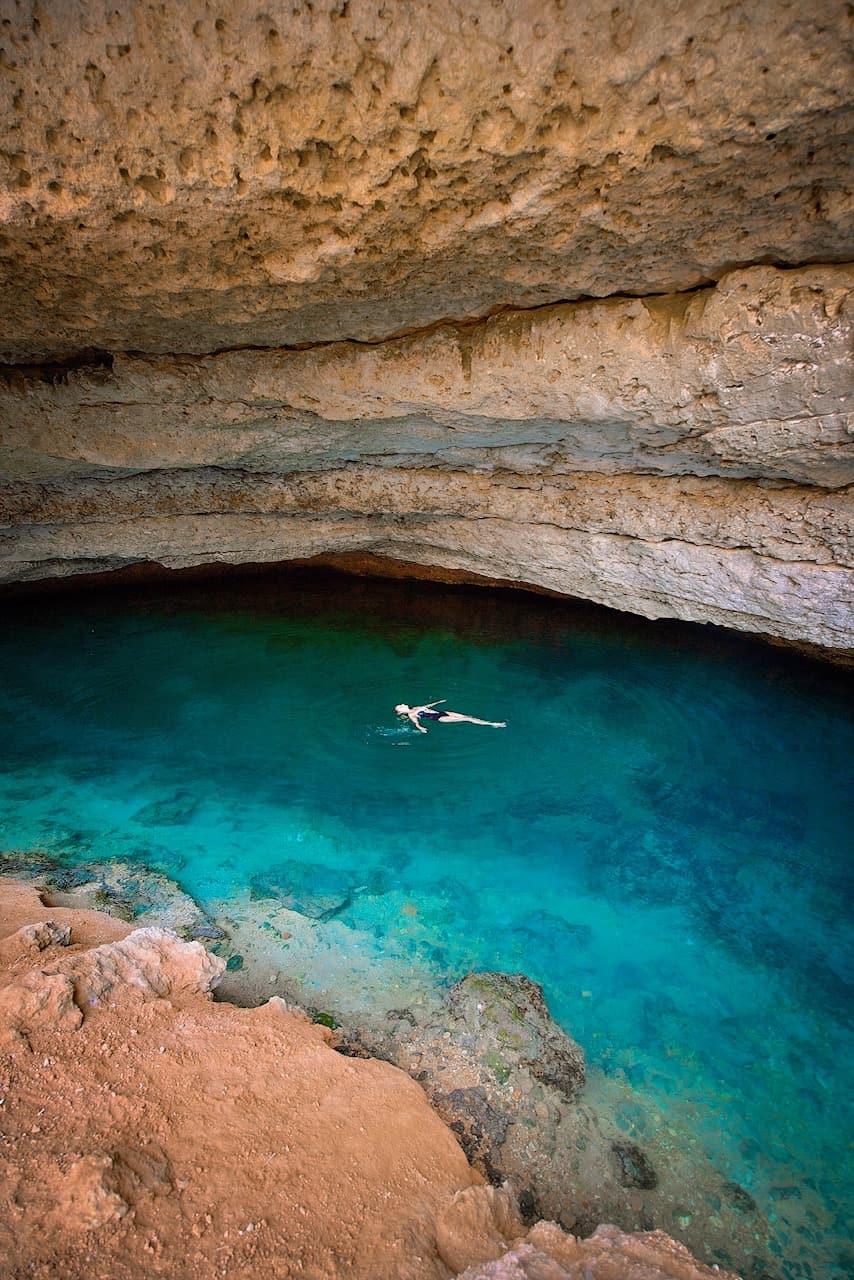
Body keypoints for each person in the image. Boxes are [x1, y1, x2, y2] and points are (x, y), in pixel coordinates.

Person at [394, 700, 507, 733]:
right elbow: (416, 723)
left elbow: (427, 706)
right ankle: (493, 724)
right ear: (401, 711)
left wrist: (438, 702)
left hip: (444, 712)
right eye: (401, 706)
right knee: (467, 719)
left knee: (467, 716)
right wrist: (421, 728)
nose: (403, 704)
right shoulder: (411, 714)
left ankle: (489, 723)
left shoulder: (415, 707)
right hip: (440, 718)